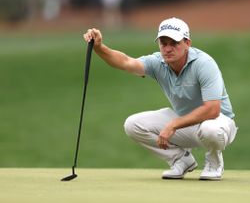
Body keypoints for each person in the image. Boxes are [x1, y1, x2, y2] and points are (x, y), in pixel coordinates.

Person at [83, 17, 238, 180]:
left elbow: (213, 109)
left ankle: (214, 162)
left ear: (187, 43)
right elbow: (126, 62)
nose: (168, 48)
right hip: (185, 124)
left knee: (210, 130)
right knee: (133, 125)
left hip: (219, 124)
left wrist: (174, 124)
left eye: (174, 43)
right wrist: (99, 47)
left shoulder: (204, 63)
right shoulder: (158, 62)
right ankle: (181, 160)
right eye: (164, 43)